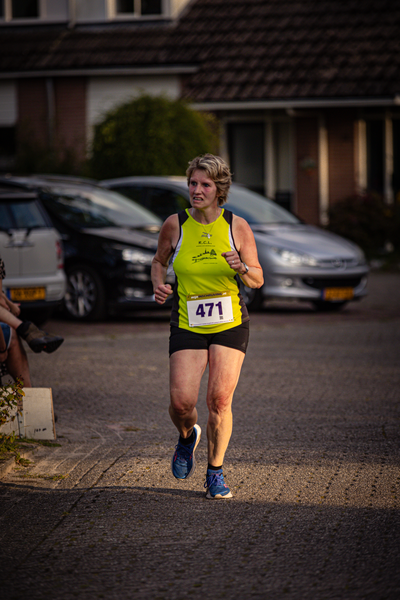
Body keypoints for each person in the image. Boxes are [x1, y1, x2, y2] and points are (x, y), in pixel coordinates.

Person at [151, 154, 264, 499]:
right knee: (182, 402)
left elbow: (258, 279)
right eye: (193, 183)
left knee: (219, 399)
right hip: (188, 319)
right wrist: (158, 284)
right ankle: (187, 438)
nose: (197, 190)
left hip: (229, 320)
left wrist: (241, 267)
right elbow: (159, 261)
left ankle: (215, 472)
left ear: (220, 190)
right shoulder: (176, 224)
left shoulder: (236, 227)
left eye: (205, 185)